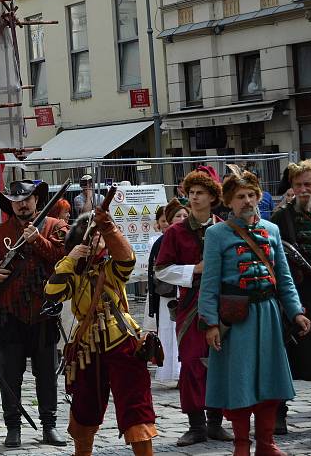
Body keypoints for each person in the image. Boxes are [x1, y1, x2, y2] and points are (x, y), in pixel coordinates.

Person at [199, 166, 311, 456]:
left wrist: (296, 311)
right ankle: (240, 445)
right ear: (229, 201)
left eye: (251, 195)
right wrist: (210, 323)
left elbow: (283, 276)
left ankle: (266, 442)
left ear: (259, 197)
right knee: (239, 382)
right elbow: (209, 282)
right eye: (240, 197)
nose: (247, 201)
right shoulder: (216, 234)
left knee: (270, 380)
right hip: (236, 319)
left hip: (269, 315)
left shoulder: (272, 230)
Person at [44, 207, 156, 456]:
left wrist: (108, 226)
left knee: (135, 406)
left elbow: (127, 259)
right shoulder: (72, 270)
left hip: (122, 341)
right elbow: (51, 292)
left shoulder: (113, 266)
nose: (96, 240)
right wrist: (70, 259)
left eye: (99, 236)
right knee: (84, 408)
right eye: (90, 235)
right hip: (86, 345)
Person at [0, 180, 68, 448]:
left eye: (27, 199)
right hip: (8, 314)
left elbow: (64, 257)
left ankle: (49, 426)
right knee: (10, 375)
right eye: (16, 200)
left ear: (37, 199)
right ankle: (13, 427)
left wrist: (38, 240)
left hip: (45, 313)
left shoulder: (55, 227)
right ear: (10, 204)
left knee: (47, 374)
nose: (22, 204)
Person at [154, 167, 234, 446]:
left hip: (222, 308)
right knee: (190, 364)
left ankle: (215, 423)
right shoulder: (176, 232)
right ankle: (196, 425)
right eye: (191, 193)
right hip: (190, 307)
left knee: (218, 363)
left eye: (200, 193)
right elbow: (161, 270)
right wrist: (194, 269)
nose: (195, 198)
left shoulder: (224, 228)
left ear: (213, 197)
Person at [270, 160, 311, 433]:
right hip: (297, 294)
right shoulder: (281, 218)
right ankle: (279, 412)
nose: (304, 189)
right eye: (298, 184)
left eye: (308, 184)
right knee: (288, 352)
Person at [146, 199, 188, 383]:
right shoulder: (161, 241)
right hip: (168, 294)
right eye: (178, 216)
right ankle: (173, 372)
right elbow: (157, 270)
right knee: (169, 331)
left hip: (186, 291)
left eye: (185, 215)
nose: (182, 219)